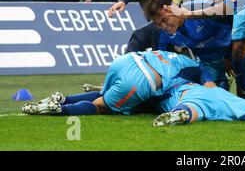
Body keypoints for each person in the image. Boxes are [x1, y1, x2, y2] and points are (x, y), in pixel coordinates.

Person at [21, 49, 245, 125]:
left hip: (129, 61)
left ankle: (61, 102)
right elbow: (203, 74)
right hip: (204, 95)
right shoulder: (196, 77)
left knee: (104, 102)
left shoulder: (174, 67)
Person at [21, 50, 214, 116]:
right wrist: (211, 86)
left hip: (127, 60)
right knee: (102, 107)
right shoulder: (195, 70)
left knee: (105, 95)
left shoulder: (176, 57)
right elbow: (204, 79)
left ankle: (63, 99)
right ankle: (60, 110)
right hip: (142, 79)